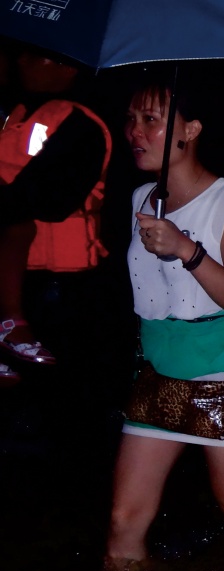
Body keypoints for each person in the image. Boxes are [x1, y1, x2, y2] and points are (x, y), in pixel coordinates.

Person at [104, 72, 224, 571]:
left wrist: (187, 249)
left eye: (152, 119)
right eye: (132, 118)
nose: (135, 131)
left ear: (191, 130)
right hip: (156, 374)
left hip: (222, 376)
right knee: (123, 521)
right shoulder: (141, 199)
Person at [0, 45, 113, 385]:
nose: (22, 60)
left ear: (68, 67)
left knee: (58, 392)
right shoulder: (15, 114)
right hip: (16, 282)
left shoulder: (81, 125)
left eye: (36, 56)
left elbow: (50, 201)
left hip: (60, 293)